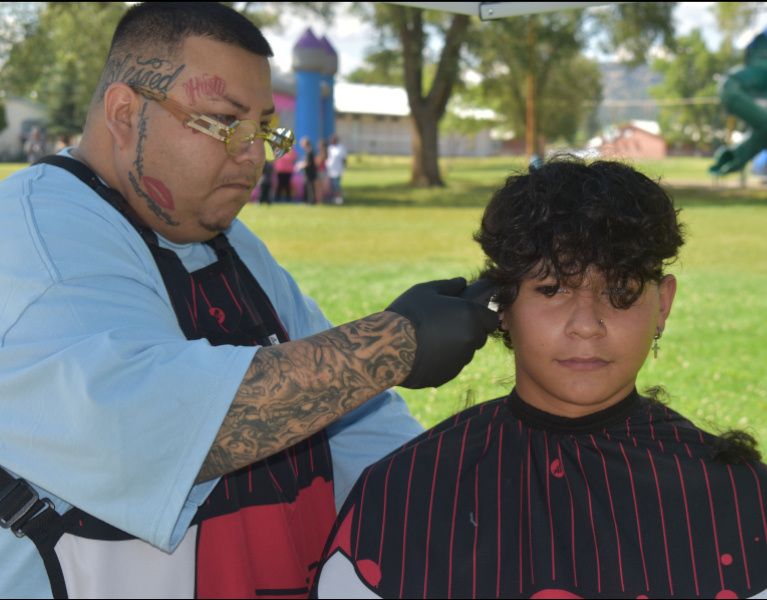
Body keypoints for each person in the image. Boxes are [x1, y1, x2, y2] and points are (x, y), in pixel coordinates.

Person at [0, 3, 497, 598]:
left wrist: (475, 508)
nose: (254, 155)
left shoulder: (228, 245)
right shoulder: (39, 234)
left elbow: (352, 424)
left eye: (262, 128)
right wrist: (392, 344)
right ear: (126, 112)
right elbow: (147, 431)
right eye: (222, 121)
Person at [313, 157, 767, 599]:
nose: (586, 323)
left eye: (620, 289)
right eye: (550, 289)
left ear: (663, 304)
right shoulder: (405, 493)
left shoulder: (739, 500)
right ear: (501, 302)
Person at [325, 134, 347, 205]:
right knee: (332, 185)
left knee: (336, 185)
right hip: (330, 170)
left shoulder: (341, 148)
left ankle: (339, 199)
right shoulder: (330, 148)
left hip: (338, 169)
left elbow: (344, 159)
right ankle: (335, 198)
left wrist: (344, 168)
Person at [296, 136, 318, 204]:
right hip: (307, 173)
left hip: (310, 174)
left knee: (309, 188)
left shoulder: (309, 151)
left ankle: (310, 201)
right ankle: (307, 200)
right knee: (307, 187)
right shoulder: (308, 151)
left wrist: (300, 166)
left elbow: (308, 163)